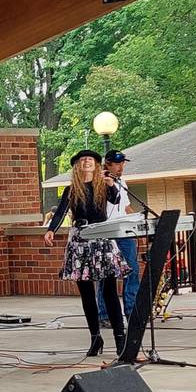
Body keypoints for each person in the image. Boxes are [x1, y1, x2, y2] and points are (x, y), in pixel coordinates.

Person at [43, 150, 129, 359]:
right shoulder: (72, 190)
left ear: (97, 165)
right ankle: (95, 337)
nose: (87, 162)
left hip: (102, 238)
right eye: (83, 160)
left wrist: (110, 185)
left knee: (109, 289)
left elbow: (116, 199)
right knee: (86, 293)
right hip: (80, 239)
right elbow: (62, 211)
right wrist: (51, 229)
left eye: (90, 159)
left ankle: (120, 337)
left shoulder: (104, 186)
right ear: (77, 167)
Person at [102, 151, 140, 320]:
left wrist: (139, 222)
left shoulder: (122, 182)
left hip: (124, 231)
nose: (121, 167)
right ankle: (104, 315)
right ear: (107, 164)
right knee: (106, 274)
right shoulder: (100, 181)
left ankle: (132, 311)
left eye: (123, 163)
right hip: (107, 232)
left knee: (132, 269)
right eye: (118, 164)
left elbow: (126, 208)